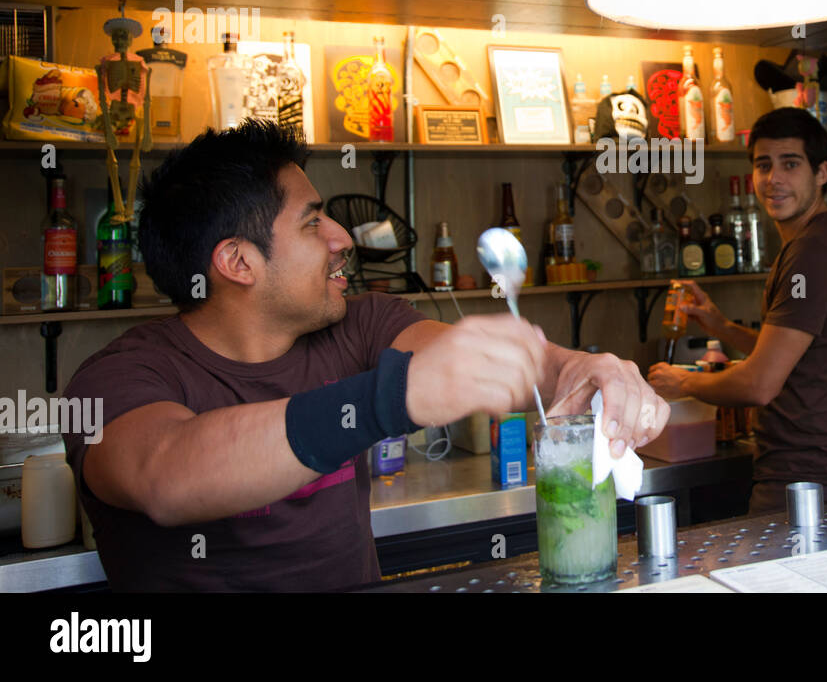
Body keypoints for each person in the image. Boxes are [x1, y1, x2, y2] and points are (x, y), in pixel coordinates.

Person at [61, 121, 668, 591]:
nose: (342, 238)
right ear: (238, 262)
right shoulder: (120, 377)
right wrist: (390, 396)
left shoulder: (359, 325)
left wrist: (578, 368)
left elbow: (484, 361)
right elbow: (166, 473)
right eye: (312, 222)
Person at [647, 108, 827, 513]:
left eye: (790, 164)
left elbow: (760, 383)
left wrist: (684, 383)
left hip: (809, 480)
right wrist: (721, 326)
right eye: (763, 165)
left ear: (822, 173)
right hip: (825, 476)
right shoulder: (823, 239)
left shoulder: (813, 251)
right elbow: (795, 353)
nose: (774, 179)